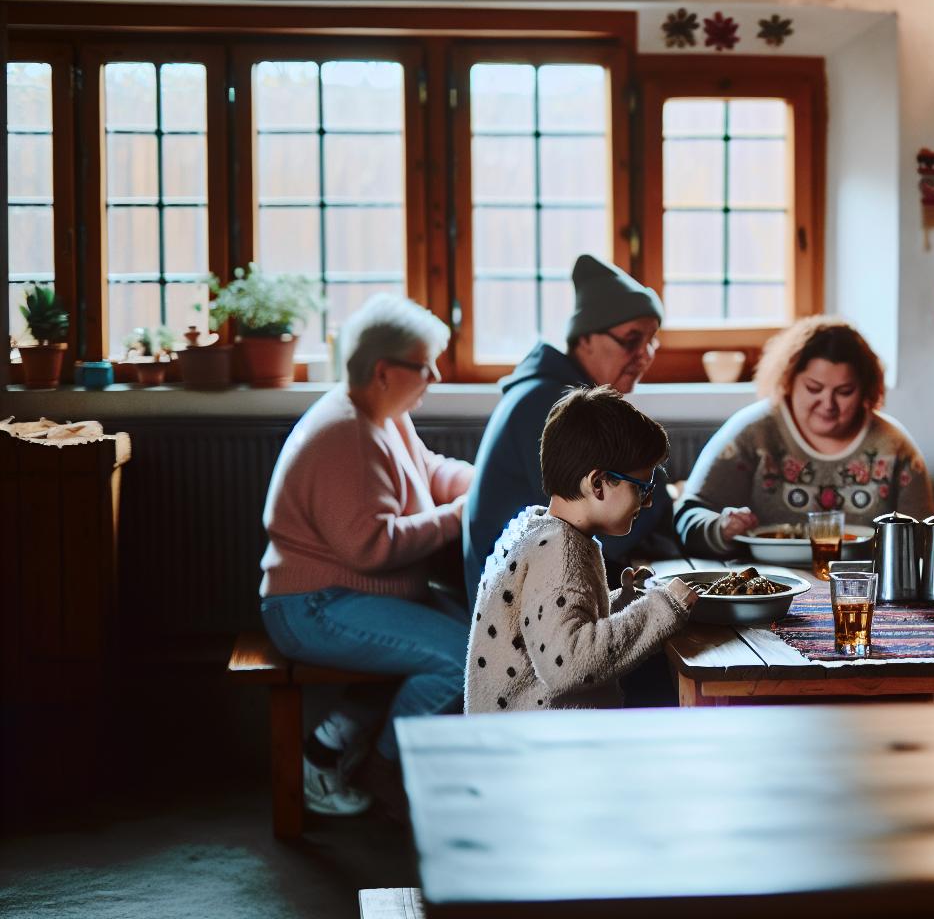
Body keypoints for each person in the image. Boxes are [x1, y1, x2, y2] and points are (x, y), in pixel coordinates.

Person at [258, 293, 472, 817]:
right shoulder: (346, 434)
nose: (435, 376)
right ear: (383, 371)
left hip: (349, 598)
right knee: (459, 658)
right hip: (314, 606)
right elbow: (371, 547)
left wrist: (481, 482)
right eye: (424, 366)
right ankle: (387, 768)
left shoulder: (382, 414)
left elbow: (428, 470)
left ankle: (331, 749)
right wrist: (458, 516)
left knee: (477, 633)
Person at [466, 386, 697, 712]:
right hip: (541, 738)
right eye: (642, 488)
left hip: (519, 731)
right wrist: (659, 610)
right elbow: (568, 663)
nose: (647, 503)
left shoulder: (538, 531)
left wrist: (623, 603)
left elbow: (550, 622)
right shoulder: (558, 551)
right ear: (598, 483)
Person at [463, 254, 671, 606]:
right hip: (517, 613)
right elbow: (611, 529)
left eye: (651, 341)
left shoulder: (557, 395)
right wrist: (659, 498)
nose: (644, 355)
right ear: (585, 339)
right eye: (631, 340)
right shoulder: (553, 406)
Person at [677, 317, 934, 556]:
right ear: (788, 380)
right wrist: (721, 528)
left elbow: (921, 541)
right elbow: (687, 518)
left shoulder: (895, 446)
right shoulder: (753, 433)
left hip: (863, 587)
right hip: (765, 582)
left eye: (844, 391)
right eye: (814, 388)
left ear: (866, 389)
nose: (828, 404)